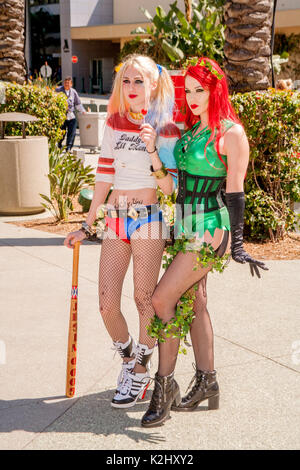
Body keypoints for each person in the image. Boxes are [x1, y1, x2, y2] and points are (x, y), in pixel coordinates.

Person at [141, 57, 268, 428]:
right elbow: (172, 185)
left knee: (163, 299)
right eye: (190, 90)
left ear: (217, 90)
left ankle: (163, 388)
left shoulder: (231, 133)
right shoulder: (194, 129)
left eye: (202, 89)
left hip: (210, 229)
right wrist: (152, 152)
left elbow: (236, 191)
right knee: (195, 302)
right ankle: (207, 381)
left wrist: (239, 243)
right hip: (183, 224)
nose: (194, 97)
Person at [64, 54, 181, 408]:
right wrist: (87, 224)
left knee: (144, 299)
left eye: (138, 81)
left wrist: (152, 148)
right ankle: (130, 359)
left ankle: (142, 370)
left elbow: (170, 190)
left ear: (154, 85)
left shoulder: (167, 128)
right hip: (116, 218)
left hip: (148, 218)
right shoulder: (113, 122)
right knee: (106, 304)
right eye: (126, 81)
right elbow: (103, 178)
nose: (131, 88)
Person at [56, 77, 86, 151]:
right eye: (65, 83)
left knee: (72, 132)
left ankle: (68, 147)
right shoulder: (58, 90)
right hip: (62, 115)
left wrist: (83, 111)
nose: (67, 84)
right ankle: (59, 144)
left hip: (71, 115)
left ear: (71, 84)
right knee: (61, 132)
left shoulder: (73, 92)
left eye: (68, 83)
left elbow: (78, 103)